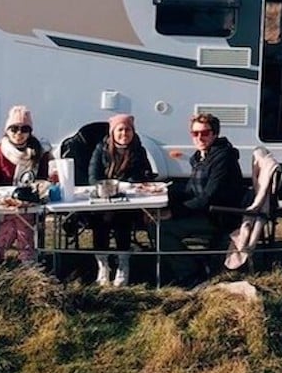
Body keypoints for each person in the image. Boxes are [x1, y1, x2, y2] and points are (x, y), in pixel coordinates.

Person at [162, 112, 246, 284]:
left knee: (161, 228)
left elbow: (208, 196)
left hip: (219, 216)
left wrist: (174, 212)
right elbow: (191, 191)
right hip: (205, 211)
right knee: (156, 219)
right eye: (195, 133)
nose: (200, 137)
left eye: (205, 133)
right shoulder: (201, 157)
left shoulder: (223, 157)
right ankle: (194, 265)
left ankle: (191, 273)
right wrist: (162, 195)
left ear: (215, 134)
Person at [87, 113, 156, 286]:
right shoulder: (101, 149)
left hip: (129, 200)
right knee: (100, 220)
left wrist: (126, 184)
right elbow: (93, 177)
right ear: (112, 132)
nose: (124, 134)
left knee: (121, 219)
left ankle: (123, 265)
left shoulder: (138, 150)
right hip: (104, 197)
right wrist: (107, 185)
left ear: (133, 132)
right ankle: (103, 266)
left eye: (128, 130)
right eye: (120, 130)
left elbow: (141, 175)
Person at [0, 105, 52, 264]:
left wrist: (36, 191)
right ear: (7, 130)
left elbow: (44, 178)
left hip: (31, 201)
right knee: (20, 219)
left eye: (24, 129)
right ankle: (27, 260)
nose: (19, 134)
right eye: (14, 129)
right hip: (3, 201)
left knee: (22, 216)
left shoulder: (40, 150)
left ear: (30, 132)